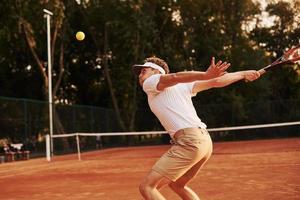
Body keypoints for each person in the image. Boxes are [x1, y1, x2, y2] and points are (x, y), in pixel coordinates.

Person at [132, 56, 260, 200]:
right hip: (204, 142)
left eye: (143, 70)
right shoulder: (181, 85)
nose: (140, 75)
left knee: (147, 187)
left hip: (190, 142)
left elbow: (176, 76)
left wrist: (206, 74)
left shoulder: (151, 82)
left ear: (157, 72)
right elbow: (216, 81)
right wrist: (243, 74)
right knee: (177, 185)